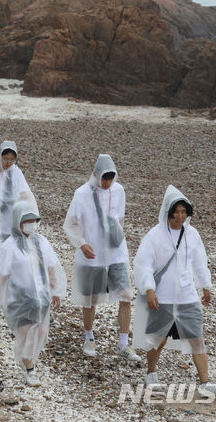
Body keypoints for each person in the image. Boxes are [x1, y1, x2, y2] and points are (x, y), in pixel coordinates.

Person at [133, 185, 216, 394]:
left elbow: (199, 261)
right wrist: (149, 290)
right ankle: (151, 372)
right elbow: (143, 264)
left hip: (188, 296)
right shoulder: (155, 235)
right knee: (159, 339)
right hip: (163, 296)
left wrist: (205, 285)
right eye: (176, 211)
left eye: (183, 212)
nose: (180, 216)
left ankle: (205, 382)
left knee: (197, 337)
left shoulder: (192, 234)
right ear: (168, 211)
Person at [63, 154, 139, 361]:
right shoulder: (82, 193)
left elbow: (119, 219)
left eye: (111, 177)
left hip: (116, 251)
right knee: (91, 299)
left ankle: (124, 344)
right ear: (96, 175)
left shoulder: (119, 190)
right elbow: (70, 223)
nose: (107, 182)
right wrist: (81, 243)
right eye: (105, 177)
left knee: (125, 295)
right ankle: (89, 338)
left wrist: (115, 238)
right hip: (92, 253)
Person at [0, 201, 66, 387]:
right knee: (26, 333)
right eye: (26, 220)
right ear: (18, 222)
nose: (31, 224)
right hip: (19, 300)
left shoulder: (42, 242)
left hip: (41, 298)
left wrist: (55, 291)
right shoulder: (10, 246)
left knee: (39, 334)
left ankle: (25, 359)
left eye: (34, 220)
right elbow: (1, 274)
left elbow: (52, 266)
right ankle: (30, 369)